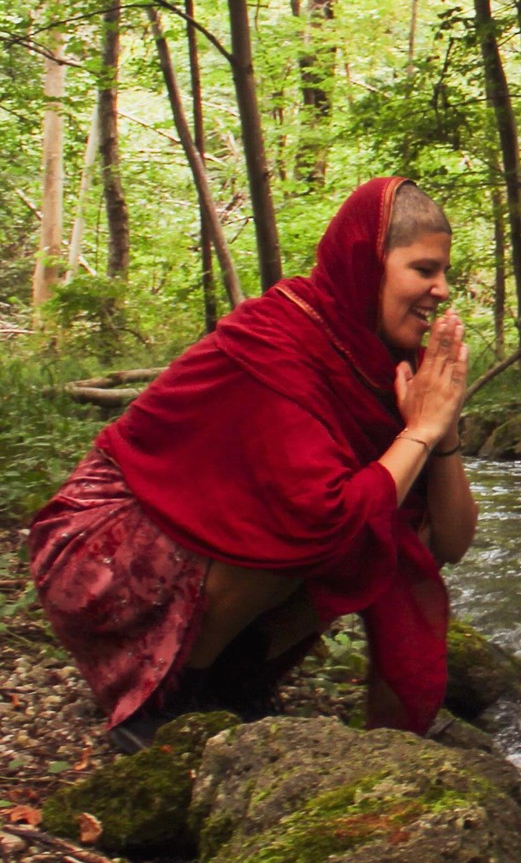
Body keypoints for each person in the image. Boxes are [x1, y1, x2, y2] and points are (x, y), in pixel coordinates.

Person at [28, 176, 477, 753]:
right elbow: (322, 517)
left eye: (444, 273)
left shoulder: (384, 358)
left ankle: (233, 679)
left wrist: (442, 427)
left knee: (390, 524)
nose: (442, 290)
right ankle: (171, 695)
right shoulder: (278, 337)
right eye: (424, 270)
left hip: (194, 537)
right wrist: (417, 431)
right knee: (313, 524)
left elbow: (448, 540)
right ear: (366, 263)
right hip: (97, 541)